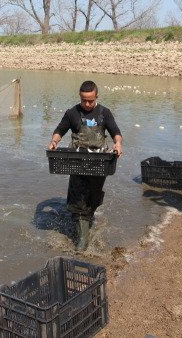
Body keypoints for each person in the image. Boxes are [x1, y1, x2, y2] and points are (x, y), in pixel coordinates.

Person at [48, 80, 123, 251]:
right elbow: (60, 130)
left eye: (90, 100)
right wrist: (54, 141)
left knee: (93, 199)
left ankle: (85, 218)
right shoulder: (72, 113)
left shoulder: (105, 113)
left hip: (99, 164)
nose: (87, 104)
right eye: (83, 100)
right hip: (77, 162)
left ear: (97, 96)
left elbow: (115, 133)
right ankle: (82, 239)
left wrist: (118, 144)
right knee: (79, 197)